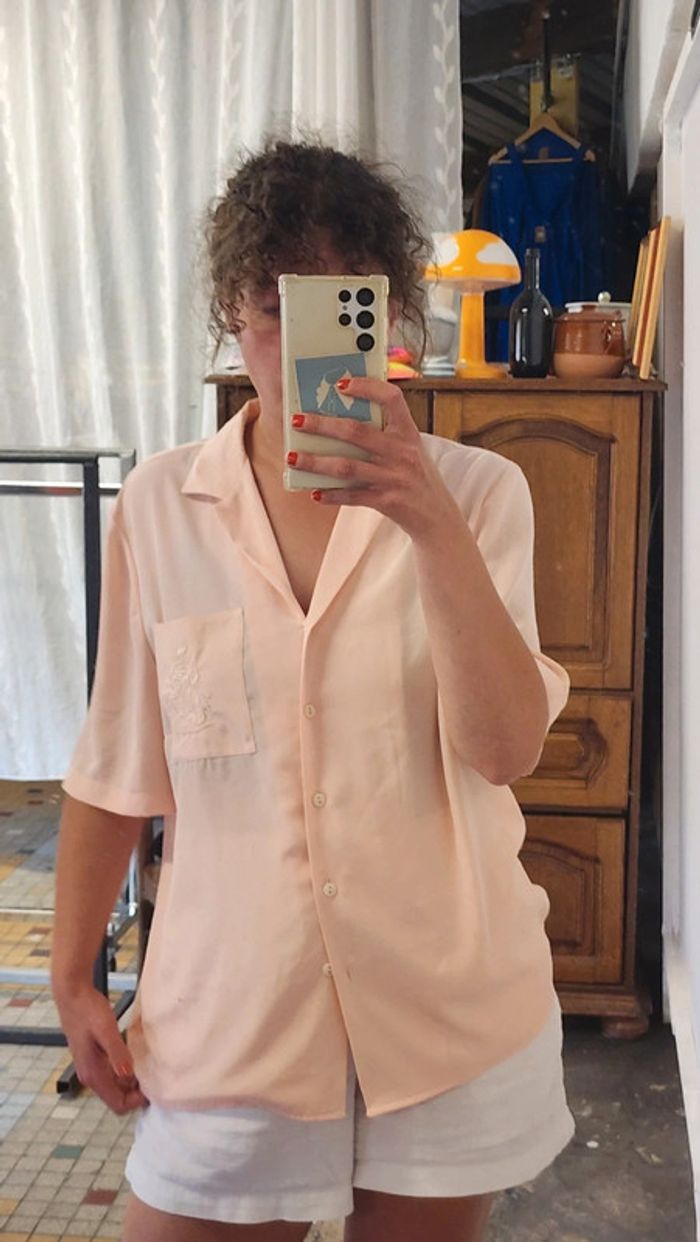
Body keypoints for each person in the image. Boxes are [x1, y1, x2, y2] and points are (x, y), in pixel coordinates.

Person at [51, 138, 576, 1242]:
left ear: (387, 319)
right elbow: (117, 763)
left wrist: (427, 520)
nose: (301, 351)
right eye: (272, 309)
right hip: (235, 1012)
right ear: (231, 315)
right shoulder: (160, 508)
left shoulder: (482, 493)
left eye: (341, 308)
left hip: (446, 1012)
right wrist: (71, 976)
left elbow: (505, 750)